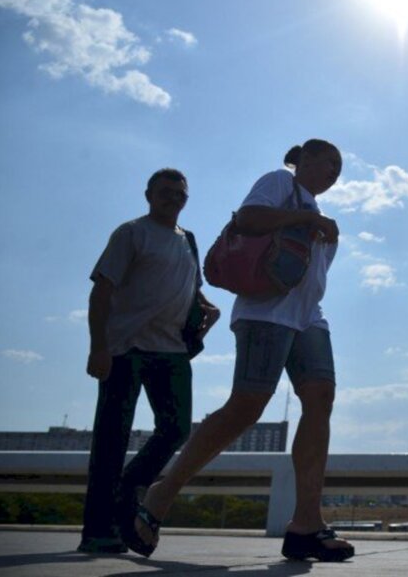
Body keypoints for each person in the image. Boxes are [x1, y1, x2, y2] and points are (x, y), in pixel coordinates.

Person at [126, 139, 354, 563]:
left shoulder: (319, 214)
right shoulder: (278, 183)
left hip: (308, 316)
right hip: (266, 313)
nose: (334, 170)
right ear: (302, 160)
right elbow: (248, 219)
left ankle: (306, 523)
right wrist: (305, 218)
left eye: (340, 166)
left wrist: (316, 223)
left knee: (320, 398)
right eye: (328, 161)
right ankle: (163, 490)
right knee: (247, 407)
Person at [79, 168, 220, 554]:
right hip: (126, 348)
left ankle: (127, 488)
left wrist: (209, 310)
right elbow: (101, 292)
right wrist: (98, 347)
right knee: (111, 440)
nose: (173, 198)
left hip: (172, 349)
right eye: (165, 192)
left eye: (180, 193)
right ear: (148, 194)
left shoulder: (187, 240)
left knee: (175, 429)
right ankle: (98, 531)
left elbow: (190, 290)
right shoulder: (131, 233)